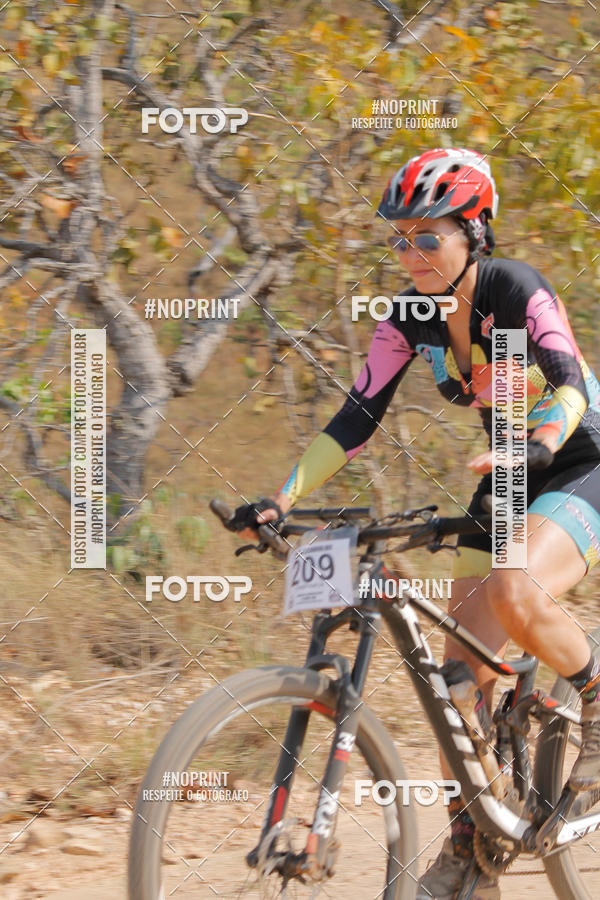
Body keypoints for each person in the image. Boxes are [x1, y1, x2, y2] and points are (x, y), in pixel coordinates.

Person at [229, 148, 600, 899]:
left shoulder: (516, 289)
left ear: (476, 234)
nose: (412, 254)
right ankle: (475, 844)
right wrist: (278, 496)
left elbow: (567, 388)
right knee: (454, 683)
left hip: (576, 459)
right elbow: (355, 418)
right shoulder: (408, 317)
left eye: (429, 237)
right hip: (501, 476)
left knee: (513, 588)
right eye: (400, 239)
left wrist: (537, 445)